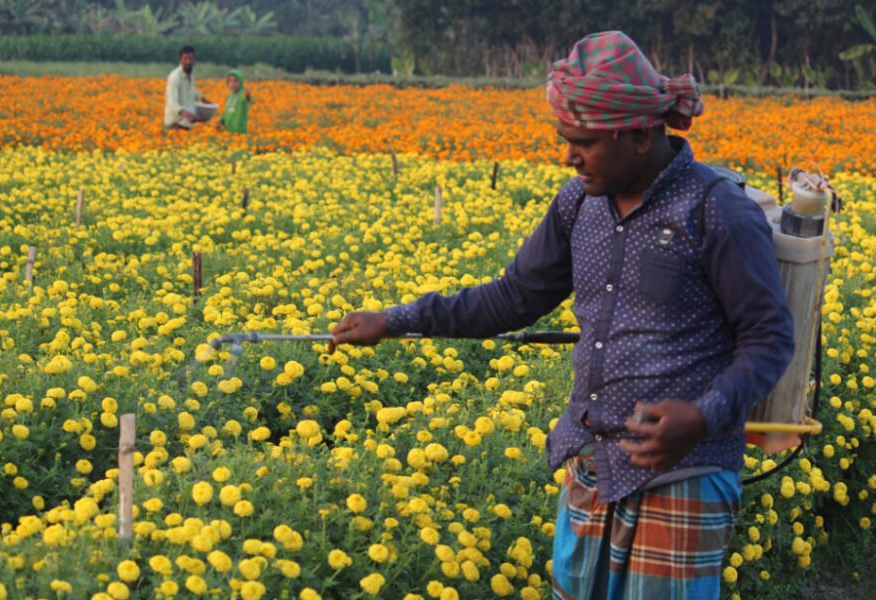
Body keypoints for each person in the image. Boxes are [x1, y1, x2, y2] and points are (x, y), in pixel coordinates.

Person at [329, 31, 794, 600]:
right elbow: (512, 297)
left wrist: (702, 416)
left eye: (585, 143)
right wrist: (397, 319)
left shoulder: (715, 209)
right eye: (566, 139)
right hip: (594, 462)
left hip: (686, 474)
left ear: (641, 134)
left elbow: (769, 339)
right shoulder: (578, 203)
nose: (570, 156)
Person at [164, 45, 210, 130]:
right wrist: (188, 115)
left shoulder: (191, 74)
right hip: (176, 124)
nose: (188, 61)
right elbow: (172, 102)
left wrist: (202, 98)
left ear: (194, 60)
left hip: (186, 123)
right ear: (180, 59)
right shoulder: (175, 77)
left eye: (191, 58)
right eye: (185, 58)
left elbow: (192, 90)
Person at [215, 69, 252, 134]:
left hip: (239, 131)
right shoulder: (229, 96)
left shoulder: (242, 93)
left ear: (240, 82)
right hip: (228, 130)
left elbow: (246, 99)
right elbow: (227, 112)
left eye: (236, 81)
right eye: (230, 82)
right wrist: (220, 122)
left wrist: (247, 95)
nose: (232, 84)